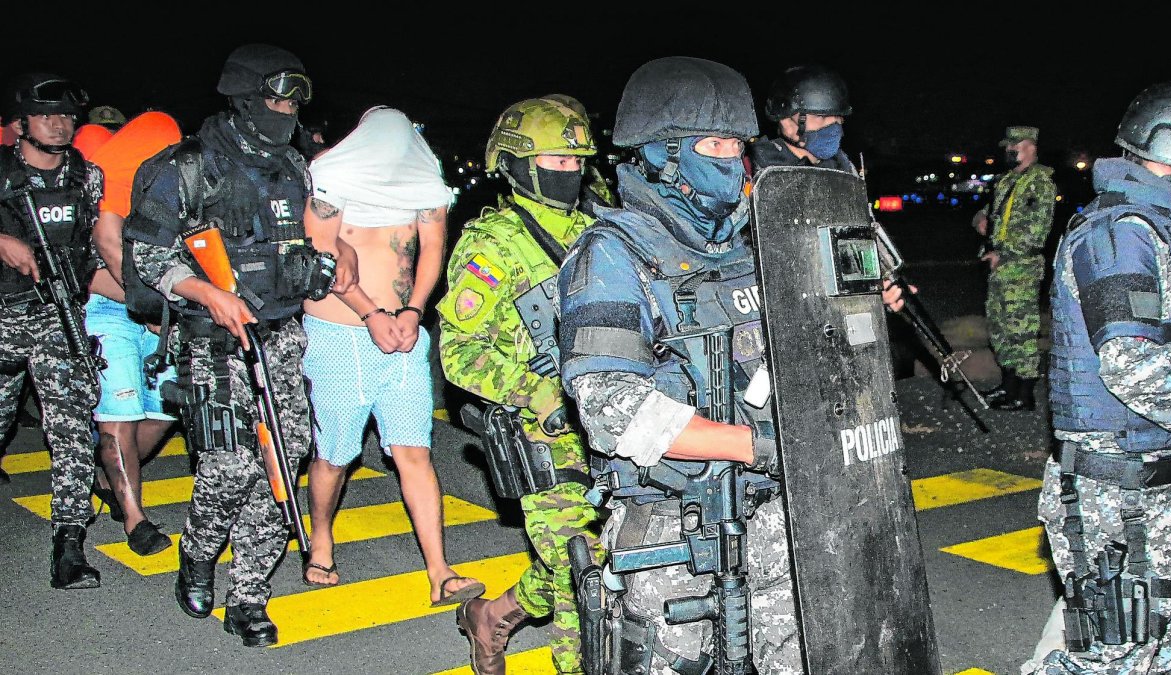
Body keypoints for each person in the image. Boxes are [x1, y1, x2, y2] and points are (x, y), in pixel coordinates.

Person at [556, 56, 906, 674]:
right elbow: (613, 408)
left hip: (780, 521)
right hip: (675, 530)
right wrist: (758, 444)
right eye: (711, 144)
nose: (729, 159)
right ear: (663, 155)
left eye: (737, 145)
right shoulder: (612, 254)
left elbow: (813, 348)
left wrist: (858, 305)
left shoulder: (758, 238)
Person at [125, 43, 331, 647]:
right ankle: (198, 549)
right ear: (243, 99)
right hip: (213, 343)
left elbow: (295, 244)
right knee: (229, 467)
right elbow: (147, 253)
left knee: (280, 464)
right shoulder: (187, 167)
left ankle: (248, 597)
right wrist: (205, 291)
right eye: (275, 98)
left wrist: (314, 268)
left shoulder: (292, 166)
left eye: (295, 101)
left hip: (282, 338)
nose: (286, 110)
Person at [1028, 81, 1171, 674]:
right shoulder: (1120, 235)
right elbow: (1132, 365)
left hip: (1169, 484)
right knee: (1111, 661)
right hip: (1116, 497)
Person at [438, 96, 605, 675]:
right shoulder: (494, 245)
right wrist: (535, 392)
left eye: (575, 161)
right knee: (582, 583)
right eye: (555, 160)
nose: (569, 172)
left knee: (588, 555)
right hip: (542, 433)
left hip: (610, 419)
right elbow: (459, 353)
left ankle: (491, 617)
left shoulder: (597, 231)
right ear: (517, 165)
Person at [301, 105, 484, 605]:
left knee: (414, 452)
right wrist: (370, 314)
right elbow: (319, 254)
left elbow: (431, 250)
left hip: (402, 337)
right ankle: (320, 538)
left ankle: (440, 572)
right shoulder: (333, 178)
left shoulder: (425, 182)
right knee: (335, 456)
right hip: (340, 335)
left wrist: (414, 311)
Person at [0, 72, 103, 589]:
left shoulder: (88, 176)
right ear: (21, 122)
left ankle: (69, 543)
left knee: (70, 428)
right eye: (46, 115)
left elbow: (98, 251)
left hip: (56, 316)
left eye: (66, 115)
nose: (59, 125)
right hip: (2, 315)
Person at [83, 110, 183, 556]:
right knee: (119, 409)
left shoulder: (167, 190)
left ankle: (107, 476)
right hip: (108, 308)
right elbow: (89, 266)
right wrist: (142, 304)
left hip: (163, 310)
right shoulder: (95, 189)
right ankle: (135, 521)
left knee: (165, 410)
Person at [973, 125, 1056, 411]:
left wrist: (1003, 253)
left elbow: (1035, 232)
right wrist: (981, 218)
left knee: (1021, 331)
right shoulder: (1008, 180)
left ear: (1031, 146)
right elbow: (992, 210)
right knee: (999, 327)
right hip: (1000, 267)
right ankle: (1008, 385)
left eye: (1015, 144)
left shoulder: (1040, 182)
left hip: (1021, 267)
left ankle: (1024, 393)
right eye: (1007, 145)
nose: (1009, 149)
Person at [750, 64, 857, 174]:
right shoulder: (759, 168)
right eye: (821, 117)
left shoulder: (843, 167)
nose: (835, 124)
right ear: (787, 123)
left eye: (838, 116)